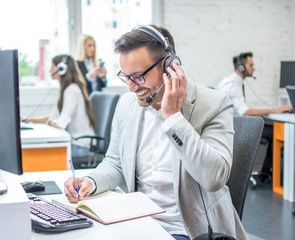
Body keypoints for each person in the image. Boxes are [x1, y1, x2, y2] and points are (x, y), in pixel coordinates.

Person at [64, 25, 248, 239]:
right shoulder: (126, 105)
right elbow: (115, 162)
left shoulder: (214, 104)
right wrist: (91, 181)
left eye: (138, 76)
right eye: (126, 77)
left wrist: (173, 118)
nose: (131, 88)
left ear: (170, 66)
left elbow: (214, 178)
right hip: (138, 224)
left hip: (188, 231)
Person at [217, 52, 293, 178]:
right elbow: (245, 112)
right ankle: (268, 172)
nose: (254, 68)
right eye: (251, 65)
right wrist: (274, 110)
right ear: (241, 67)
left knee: (272, 131)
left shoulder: (232, 81)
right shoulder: (233, 85)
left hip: (231, 125)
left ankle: (265, 171)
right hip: (234, 128)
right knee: (275, 132)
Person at [23, 54, 95, 158]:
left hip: (81, 146)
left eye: (52, 67)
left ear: (62, 69)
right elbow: (53, 117)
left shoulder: (72, 90)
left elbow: (62, 122)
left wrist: (51, 122)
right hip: (75, 144)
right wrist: (29, 120)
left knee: (43, 155)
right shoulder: (65, 90)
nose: (50, 71)